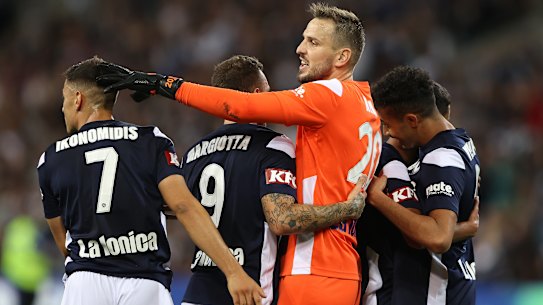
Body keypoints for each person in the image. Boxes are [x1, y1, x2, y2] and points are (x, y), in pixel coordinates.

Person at [97, 3, 381, 305]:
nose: (299, 49)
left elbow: (241, 107)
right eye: (303, 39)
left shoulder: (328, 95)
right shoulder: (367, 109)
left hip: (312, 267)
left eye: (313, 42)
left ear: (342, 57)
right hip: (345, 265)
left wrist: (162, 84)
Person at [36, 56, 266, 305]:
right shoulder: (150, 141)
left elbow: (63, 243)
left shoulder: (51, 159)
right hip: (144, 282)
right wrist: (233, 272)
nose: (63, 108)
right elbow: (183, 206)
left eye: (65, 99)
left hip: (85, 282)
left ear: (78, 99)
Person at [180, 55, 366, 305]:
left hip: (197, 292)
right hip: (249, 291)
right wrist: (346, 209)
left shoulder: (193, 153)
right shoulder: (273, 146)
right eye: (268, 94)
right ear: (256, 95)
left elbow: (178, 210)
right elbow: (281, 219)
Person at [357, 80, 479, 305]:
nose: (386, 132)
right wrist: (463, 229)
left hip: (433, 291)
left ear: (412, 120)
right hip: (442, 287)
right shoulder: (462, 146)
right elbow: (435, 235)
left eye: (387, 124)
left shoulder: (439, 158)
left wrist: (378, 199)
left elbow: (436, 237)